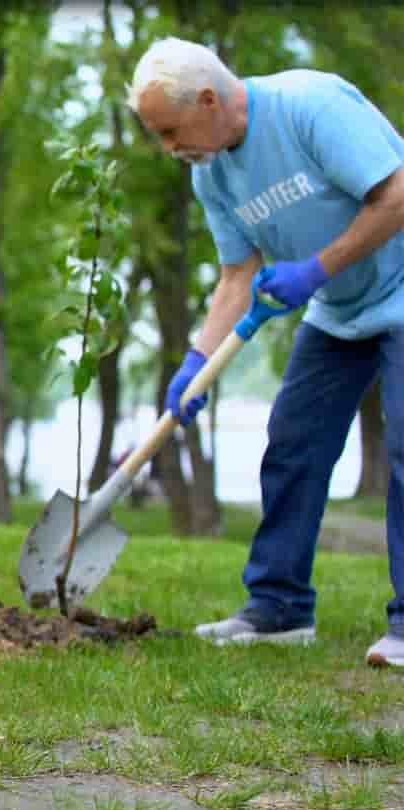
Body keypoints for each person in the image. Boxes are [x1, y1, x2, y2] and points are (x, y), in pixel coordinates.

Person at [128, 38, 403, 667]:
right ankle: (278, 609)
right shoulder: (211, 172)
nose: (170, 150)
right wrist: (196, 363)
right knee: (293, 444)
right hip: (340, 308)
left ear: (207, 99)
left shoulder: (311, 104)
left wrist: (316, 268)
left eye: (171, 132)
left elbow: (397, 195)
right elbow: (237, 275)